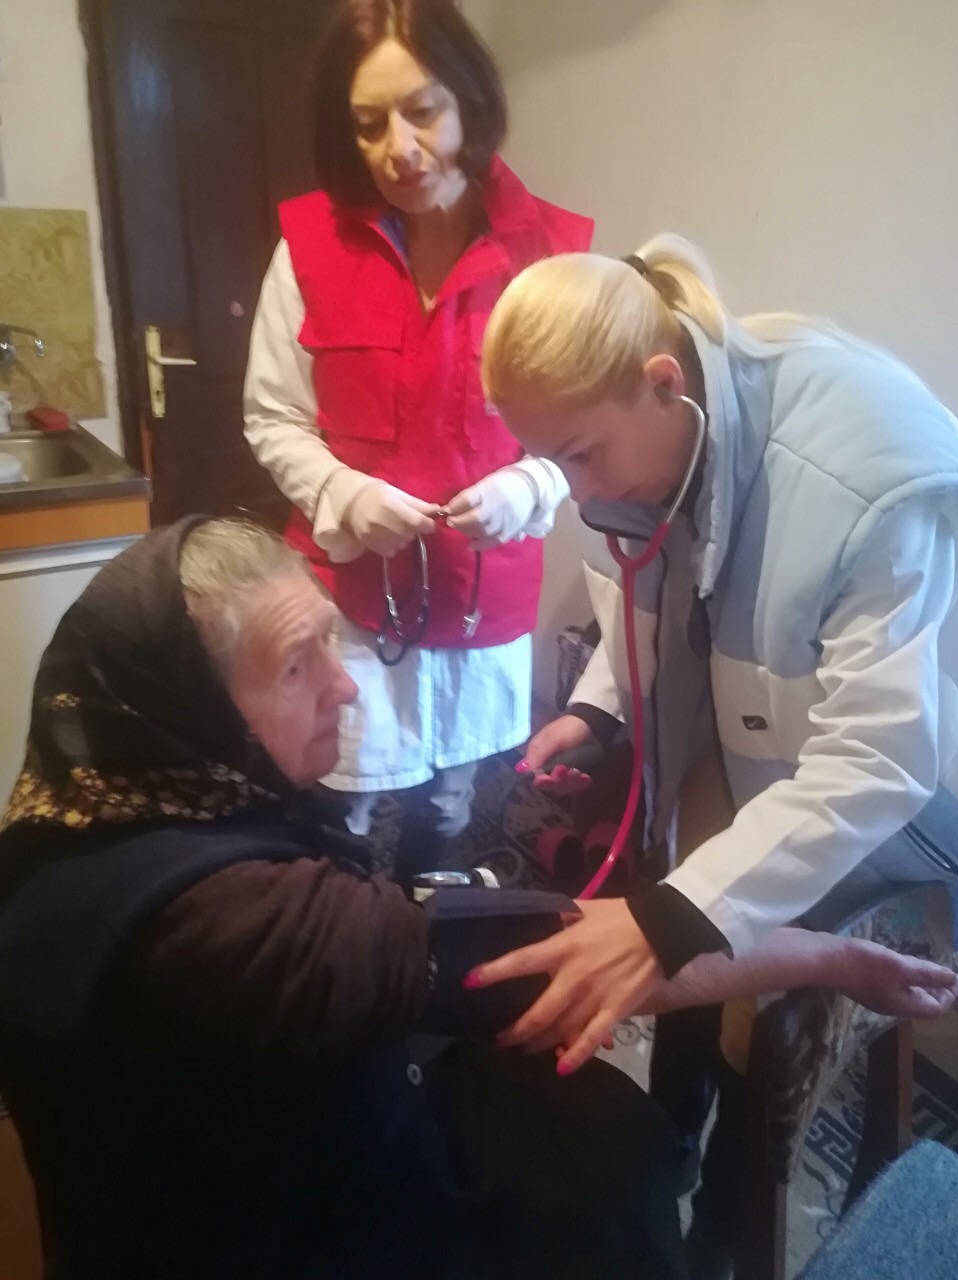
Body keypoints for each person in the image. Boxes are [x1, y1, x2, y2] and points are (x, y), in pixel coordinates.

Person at [1, 517, 953, 1280]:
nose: (344, 689)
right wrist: (834, 957)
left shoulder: (86, 814)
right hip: (274, 1234)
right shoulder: (234, 926)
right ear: (189, 708)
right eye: (295, 666)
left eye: (331, 641)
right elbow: (598, 951)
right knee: (604, 1170)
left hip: (185, 1179)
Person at [469, 236, 958, 1273]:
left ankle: (733, 1221)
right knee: (673, 913)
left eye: (578, 455)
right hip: (750, 751)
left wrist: (678, 917)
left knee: (725, 977)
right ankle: (671, 1145)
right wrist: (602, 710)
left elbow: (877, 758)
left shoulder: (864, 474)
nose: (573, 490)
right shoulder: (656, 432)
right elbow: (647, 594)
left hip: (891, 800)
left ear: (663, 384)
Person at [244, 0, 593, 884]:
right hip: (352, 597)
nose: (398, 148)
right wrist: (343, 493)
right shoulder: (309, 249)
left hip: (483, 595)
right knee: (344, 797)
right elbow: (273, 416)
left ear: (469, 99)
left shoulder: (551, 254)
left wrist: (531, 486)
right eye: (369, 124)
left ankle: (427, 932)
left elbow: (587, 426)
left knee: (452, 802)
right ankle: (344, 938)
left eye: (422, 111)